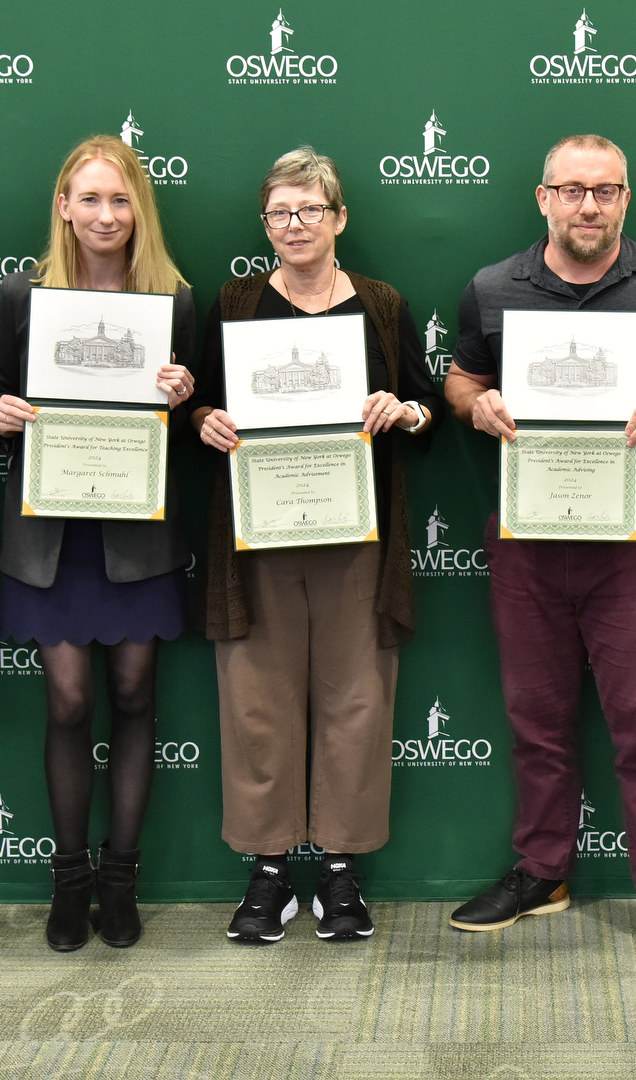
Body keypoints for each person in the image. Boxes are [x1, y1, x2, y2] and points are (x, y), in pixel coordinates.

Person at [443, 134, 636, 974]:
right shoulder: (491, 288)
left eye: (605, 191)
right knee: (536, 719)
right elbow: (460, 380)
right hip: (528, 537)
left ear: (626, 200)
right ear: (543, 198)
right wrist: (477, 405)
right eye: (571, 191)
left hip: (631, 540)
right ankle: (542, 872)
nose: (588, 206)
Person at [188, 147, 445, 944]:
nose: (293, 226)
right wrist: (204, 420)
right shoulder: (233, 304)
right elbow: (195, 402)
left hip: (355, 535)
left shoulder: (381, 304)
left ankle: (340, 869)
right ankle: (268, 871)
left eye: (309, 211)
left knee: (357, 699)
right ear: (264, 223)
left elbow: (426, 405)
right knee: (256, 701)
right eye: (278, 213)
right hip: (257, 535)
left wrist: (403, 412)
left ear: (339, 219)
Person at [0, 136, 197, 953]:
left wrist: (184, 397)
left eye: (120, 199)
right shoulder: (21, 295)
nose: (105, 214)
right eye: (89, 198)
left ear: (138, 209)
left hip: (136, 534)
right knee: (69, 700)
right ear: (63, 207)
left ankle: (121, 876)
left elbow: (199, 424)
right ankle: (69, 877)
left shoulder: (174, 300)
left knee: (137, 693)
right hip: (50, 535)